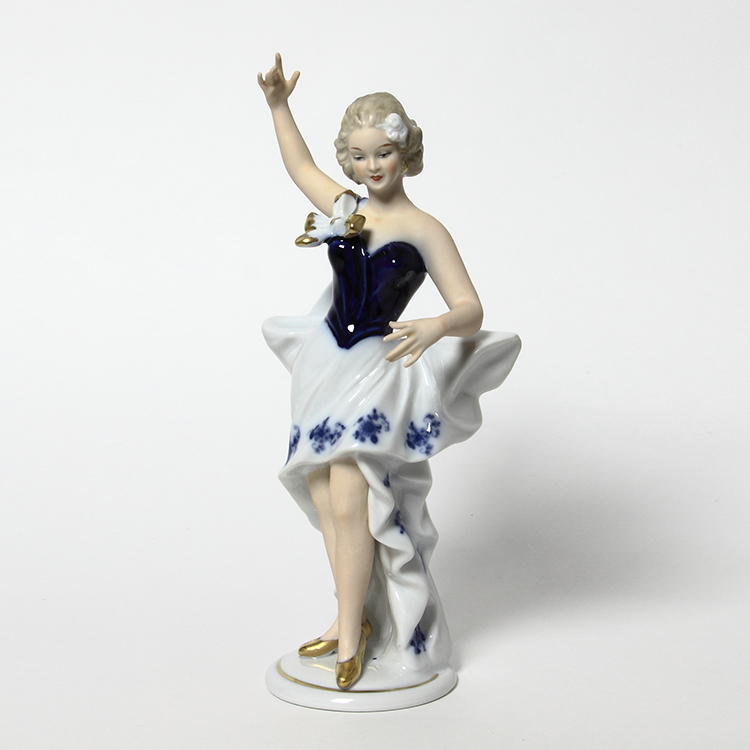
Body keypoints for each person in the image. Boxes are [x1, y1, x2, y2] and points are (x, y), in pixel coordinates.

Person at [258, 54, 520, 691]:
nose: (371, 166)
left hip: (378, 369)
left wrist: (434, 326)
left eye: (383, 153)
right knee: (327, 497)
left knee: (352, 496)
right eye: (359, 155)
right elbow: (299, 167)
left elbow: (471, 308)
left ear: (405, 154)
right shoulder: (346, 206)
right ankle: (351, 615)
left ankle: (353, 635)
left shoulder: (424, 228)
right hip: (325, 366)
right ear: (349, 161)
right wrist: (279, 107)